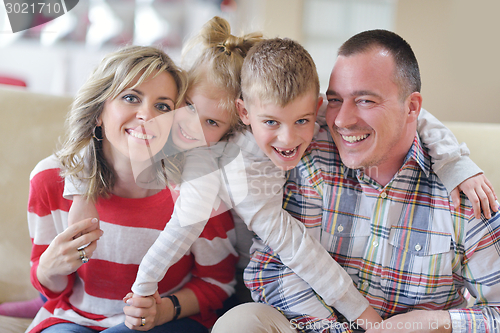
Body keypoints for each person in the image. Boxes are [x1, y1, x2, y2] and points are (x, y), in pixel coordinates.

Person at [212, 30, 500, 333]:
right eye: (335, 100)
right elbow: (273, 268)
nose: (342, 120)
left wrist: (436, 322)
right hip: (314, 326)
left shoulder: (465, 195)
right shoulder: (308, 148)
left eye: (364, 100)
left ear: (412, 107)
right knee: (240, 324)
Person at [26, 45, 238, 333]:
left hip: (169, 321)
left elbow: (218, 282)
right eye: (131, 98)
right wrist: (48, 267)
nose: (147, 115)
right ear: (98, 110)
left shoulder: (198, 190)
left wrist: (166, 309)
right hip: (75, 317)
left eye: (163, 106)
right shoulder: (49, 180)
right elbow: (54, 289)